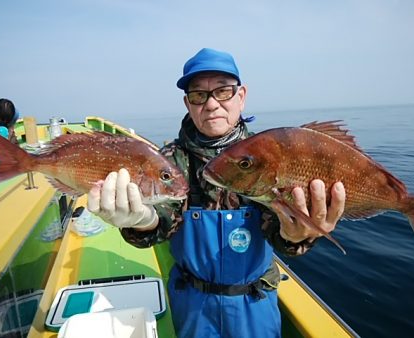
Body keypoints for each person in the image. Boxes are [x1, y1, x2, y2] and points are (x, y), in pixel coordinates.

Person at [87, 48, 346, 338]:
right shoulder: (171, 160)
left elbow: (280, 234)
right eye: (198, 95)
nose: (211, 104)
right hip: (192, 303)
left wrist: (297, 235)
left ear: (241, 96)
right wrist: (141, 219)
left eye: (223, 91)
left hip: (256, 302)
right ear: (188, 103)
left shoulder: (270, 156)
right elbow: (162, 219)